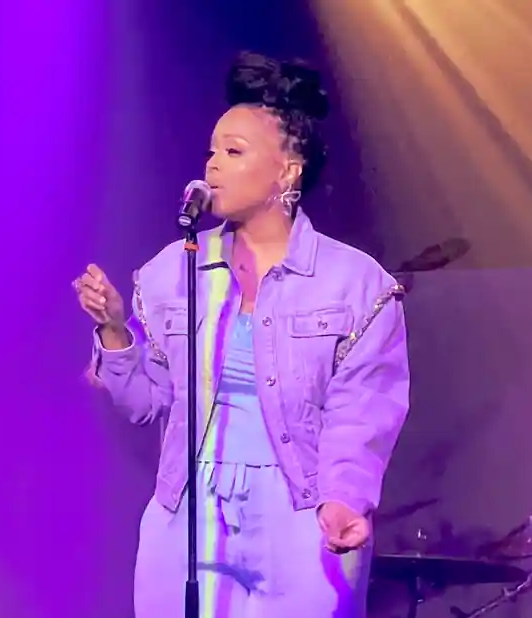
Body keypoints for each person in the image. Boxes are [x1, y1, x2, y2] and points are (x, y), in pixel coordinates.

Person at [74, 51, 410, 618]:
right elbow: (144, 404)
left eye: (234, 152)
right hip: (188, 509)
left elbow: (365, 407)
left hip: (301, 512)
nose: (212, 166)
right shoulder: (169, 273)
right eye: (211, 151)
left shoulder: (355, 282)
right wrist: (113, 330)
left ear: (288, 169)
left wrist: (347, 497)